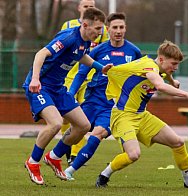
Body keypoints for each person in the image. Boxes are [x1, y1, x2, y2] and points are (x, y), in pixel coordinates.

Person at [95, 40, 188, 189]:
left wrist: (172, 80)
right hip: (123, 116)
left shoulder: (159, 66)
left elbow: (163, 73)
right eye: (174, 64)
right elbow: (159, 85)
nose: (175, 68)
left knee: (178, 142)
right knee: (133, 155)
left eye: (177, 64)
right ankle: (104, 176)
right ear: (162, 59)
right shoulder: (149, 68)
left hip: (142, 116)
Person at [23, 7, 112, 185]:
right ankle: (33, 162)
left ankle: (54, 157)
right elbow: (41, 53)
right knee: (55, 123)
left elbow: (81, 56)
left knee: (84, 125)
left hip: (58, 89)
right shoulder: (68, 37)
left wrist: (99, 67)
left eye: (101, 29)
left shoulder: (85, 40)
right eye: (97, 28)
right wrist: (34, 79)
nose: (100, 32)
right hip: (41, 87)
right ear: (85, 25)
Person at [63, 12, 142, 180]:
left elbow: (145, 75)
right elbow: (81, 74)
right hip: (92, 101)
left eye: (121, 27)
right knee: (74, 131)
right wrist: (71, 93)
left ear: (125, 28)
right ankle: (53, 157)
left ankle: (69, 171)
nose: (118, 31)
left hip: (113, 107)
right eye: (115, 27)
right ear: (108, 29)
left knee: (96, 134)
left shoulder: (134, 52)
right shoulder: (98, 50)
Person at [60, 0, 109, 165]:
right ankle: (66, 147)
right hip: (68, 77)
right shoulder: (68, 25)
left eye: (92, 5)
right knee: (65, 118)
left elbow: (104, 51)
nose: (89, 8)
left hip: (88, 79)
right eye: (86, 5)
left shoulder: (102, 31)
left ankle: (74, 154)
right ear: (79, 8)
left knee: (82, 118)